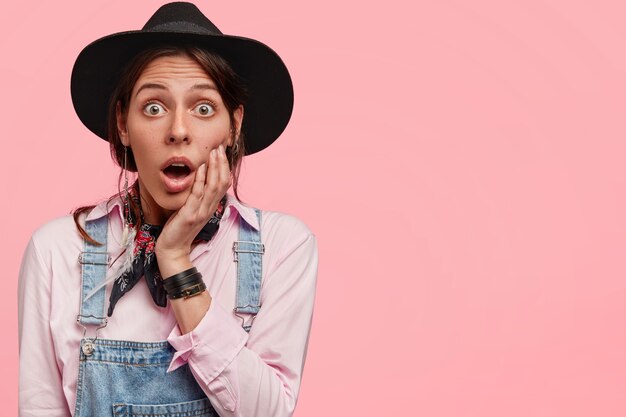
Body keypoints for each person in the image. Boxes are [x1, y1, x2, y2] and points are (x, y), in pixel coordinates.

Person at [17, 3, 318, 417]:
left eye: (204, 108)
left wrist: (176, 261)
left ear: (234, 125)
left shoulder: (281, 247)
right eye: (154, 108)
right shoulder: (55, 251)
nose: (178, 130)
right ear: (123, 123)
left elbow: (266, 411)